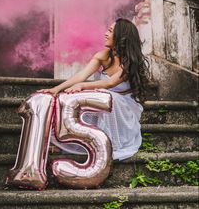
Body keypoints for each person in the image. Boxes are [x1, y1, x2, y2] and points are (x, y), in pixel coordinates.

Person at [41, 18, 149, 161]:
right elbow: (82, 74)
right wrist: (57, 89)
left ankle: (111, 143)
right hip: (103, 101)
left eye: (110, 31)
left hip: (124, 107)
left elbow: (110, 83)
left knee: (106, 95)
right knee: (90, 97)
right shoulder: (104, 55)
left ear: (121, 36)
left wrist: (83, 86)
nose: (105, 34)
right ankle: (68, 140)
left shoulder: (130, 61)